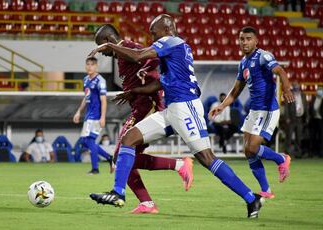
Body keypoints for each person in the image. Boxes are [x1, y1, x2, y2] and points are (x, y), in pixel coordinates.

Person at [88, 15, 264, 218]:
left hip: (185, 107)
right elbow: (160, 83)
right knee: (129, 138)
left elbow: (138, 56)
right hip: (171, 109)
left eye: (154, 33)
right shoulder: (176, 48)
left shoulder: (170, 41)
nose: (152, 37)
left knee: (206, 158)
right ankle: (118, 193)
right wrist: (135, 91)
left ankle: (252, 198)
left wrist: (110, 45)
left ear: (166, 29)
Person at [90, 24, 194, 214]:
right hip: (139, 106)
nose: (102, 53)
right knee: (125, 158)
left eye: (101, 47)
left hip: (149, 104)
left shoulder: (129, 47)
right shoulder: (122, 55)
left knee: (121, 155)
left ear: (107, 42)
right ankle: (147, 202)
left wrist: (145, 75)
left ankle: (178, 166)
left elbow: (152, 58)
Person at [209, 26, 294, 200]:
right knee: (248, 152)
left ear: (256, 41)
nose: (244, 42)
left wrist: (286, 89)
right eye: (242, 39)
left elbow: (280, 71)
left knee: (253, 147)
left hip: (268, 109)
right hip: (254, 111)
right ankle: (266, 190)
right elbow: (236, 90)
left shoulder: (264, 56)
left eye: (248, 39)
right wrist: (222, 106)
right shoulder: (243, 63)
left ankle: (280, 158)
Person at [73, 57, 113, 175]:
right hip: (88, 116)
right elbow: (86, 98)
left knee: (89, 141)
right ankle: (110, 158)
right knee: (85, 141)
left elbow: (104, 100)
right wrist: (78, 112)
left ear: (96, 66)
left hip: (96, 115)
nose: (89, 67)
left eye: (92, 64)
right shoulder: (85, 80)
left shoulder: (100, 80)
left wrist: (103, 117)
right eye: (88, 64)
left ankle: (95, 169)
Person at [282, 81, 308, 158]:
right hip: (291, 118)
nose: (296, 87)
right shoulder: (290, 95)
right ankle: (287, 153)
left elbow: (305, 106)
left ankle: (298, 153)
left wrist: (307, 117)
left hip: (300, 118)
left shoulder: (303, 95)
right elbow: (286, 107)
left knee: (299, 137)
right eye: (294, 86)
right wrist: (287, 117)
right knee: (289, 137)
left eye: (297, 85)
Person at [308, 86, 323, 157]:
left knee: (321, 137)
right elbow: (310, 109)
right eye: (318, 89)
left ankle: (320, 152)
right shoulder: (313, 98)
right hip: (313, 120)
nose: (319, 91)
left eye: (321, 90)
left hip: (321, 121)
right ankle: (312, 152)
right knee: (312, 137)